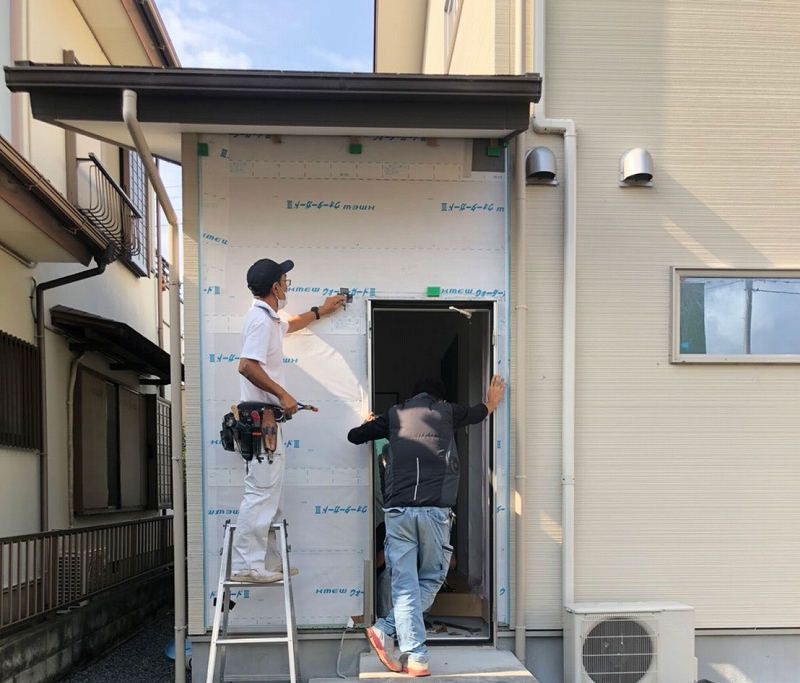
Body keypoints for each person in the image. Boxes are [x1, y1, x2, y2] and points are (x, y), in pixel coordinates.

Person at [347, 375, 506, 677]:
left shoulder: (394, 415)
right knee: (432, 578)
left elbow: (354, 436)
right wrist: (492, 401)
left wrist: (373, 424)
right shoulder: (448, 412)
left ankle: (413, 652)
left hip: (398, 513)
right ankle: (390, 632)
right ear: (440, 399)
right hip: (434, 512)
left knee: (404, 585)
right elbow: (478, 413)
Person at [230, 258, 346, 583]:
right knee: (261, 492)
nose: (287, 285)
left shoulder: (269, 319)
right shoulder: (259, 321)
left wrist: (320, 311)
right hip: (261, 420)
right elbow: (246, 365)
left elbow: (290, 324)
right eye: (285, 281)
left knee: (271, 495)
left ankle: (267, 560)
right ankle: (247, 565)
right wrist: (283, 394)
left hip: (266, 422)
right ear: (275, 288)